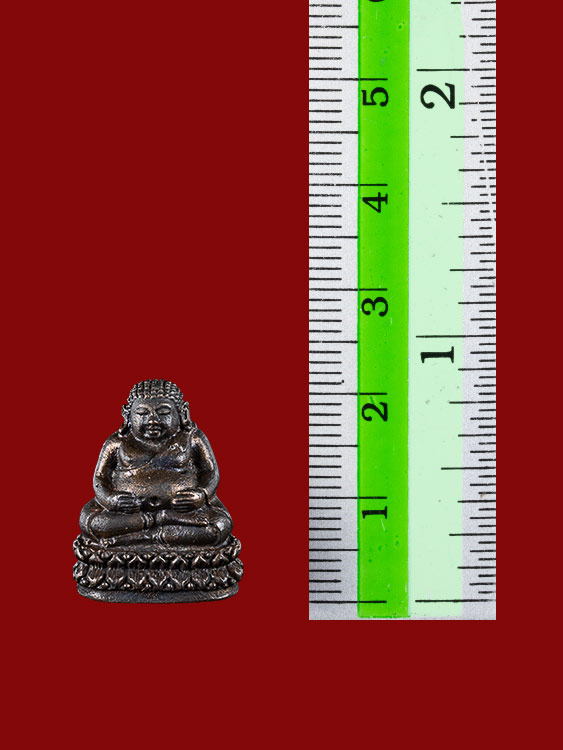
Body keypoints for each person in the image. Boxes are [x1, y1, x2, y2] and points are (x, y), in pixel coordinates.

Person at [79, 379, 232, 547]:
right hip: (129, 515)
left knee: (219, 526)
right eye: (142, 413)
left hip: (184, 513)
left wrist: (201, 495)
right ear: (127, 415)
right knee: (94, 523)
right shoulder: (117, 442)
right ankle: (158, 528)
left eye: (164, 412)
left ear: (182, 413)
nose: (152, 420)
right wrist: (112, 500)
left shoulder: (192, 438)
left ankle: (142, 536)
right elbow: (100, 478)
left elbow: (210, 472)